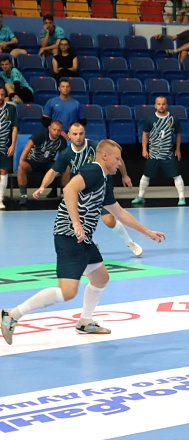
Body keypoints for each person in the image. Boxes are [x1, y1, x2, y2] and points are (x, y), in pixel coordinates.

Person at [1, 139, 166, 346]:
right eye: (117, 159)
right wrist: (76, 223)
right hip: (69, 235)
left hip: (83, 238)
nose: (119, 163)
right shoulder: (94, 170)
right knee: (67, 291)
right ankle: (11, 315)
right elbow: (70, 189)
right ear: (104, 156)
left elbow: (118, 212)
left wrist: (146, 232)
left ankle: (85, 322)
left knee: (101, 278)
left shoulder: (104, 180)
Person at [34, 122, 144, 257]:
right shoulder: (66, 154)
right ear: (69, 136)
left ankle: (130, 243)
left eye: (81, 133)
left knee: (109, 220)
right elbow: (53, 171)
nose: (78, 137)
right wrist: (42, 186)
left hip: (102, 189)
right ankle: (91, 243)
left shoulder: (96, 146)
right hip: (84, 193)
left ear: (84, 134)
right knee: (77, 221)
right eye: (75, 134)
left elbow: (116, 157)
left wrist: (125, 175)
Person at [131, 96, 186, 206]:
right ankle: (140, 196)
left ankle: (182, 197)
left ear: (167, 105)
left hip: (168, 154)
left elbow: (178, 133)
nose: (161, 106)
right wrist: (144, 149)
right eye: (159, 104)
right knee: (146, 175)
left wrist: (178, 149)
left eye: (163, 104)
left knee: (176, 175)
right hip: (154, 154)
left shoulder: (173, 119)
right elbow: (145, 134)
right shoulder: (150, 118)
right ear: (155, 105)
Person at [16, 120, 67, 207]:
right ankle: (23, 195)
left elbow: (64, 157)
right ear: (49, 128)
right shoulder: (41, 134)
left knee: (66, 167)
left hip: (48, 164)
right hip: (32, 162)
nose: (56, 132)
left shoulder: (61, 141)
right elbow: (28, 145)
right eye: (54, 129)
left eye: (59, 130)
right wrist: (22, 160)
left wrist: (60, 167)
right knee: (21, 167)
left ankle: (64, 195)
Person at [0, 86, 17, 210]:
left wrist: (13, 145)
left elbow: (14, 128)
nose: (0, 97)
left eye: (2, 95)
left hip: (5, 146)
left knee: (3, 171)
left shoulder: (11, 109)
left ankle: (0, 199)